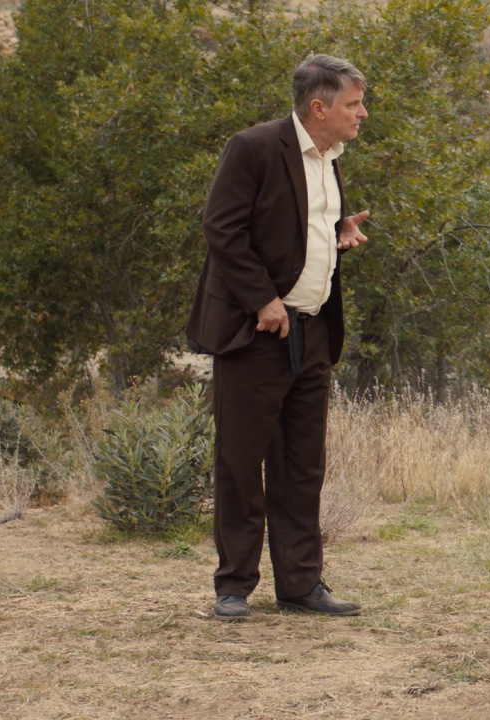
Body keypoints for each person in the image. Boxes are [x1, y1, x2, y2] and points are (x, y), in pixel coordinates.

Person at [185, 54, 371, 620]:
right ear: (319, 107)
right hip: (256, 331)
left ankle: (300, 585)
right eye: (353, 104)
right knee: (241, 463)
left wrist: (337, 230)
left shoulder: (330, 157)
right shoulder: (254, 146)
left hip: (313, 330)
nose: (362, 114)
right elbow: (222, 226)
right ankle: (233, 587)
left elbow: (292, 220)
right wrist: (262, 298)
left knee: (301, 463)